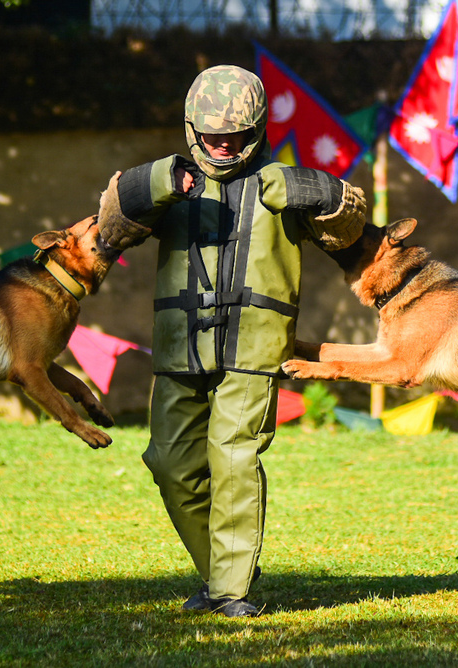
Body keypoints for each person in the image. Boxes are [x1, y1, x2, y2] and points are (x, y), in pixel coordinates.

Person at [96, 64, 366, 617]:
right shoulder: (171, 181)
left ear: (258, 129)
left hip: (254, 348)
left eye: (236, 135)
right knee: (168, 462)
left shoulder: (285, 183)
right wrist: (154, 183)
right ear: (192, 127)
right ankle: (225, 569)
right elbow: (109, 228)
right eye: (213, 134)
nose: (223, 144)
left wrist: (316, 188)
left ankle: (230, 591)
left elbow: (351, 226)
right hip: (179, 348)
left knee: (234, 457)